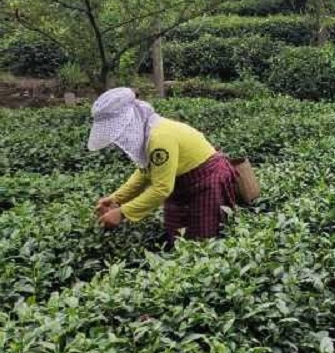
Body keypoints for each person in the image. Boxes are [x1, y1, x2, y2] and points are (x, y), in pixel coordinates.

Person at [88, 87, 238, 241]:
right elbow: (144, 172)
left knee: (202, 238)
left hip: (206, 180)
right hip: (181, 183)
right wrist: (115, 199)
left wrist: (122, 213)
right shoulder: (148, 133)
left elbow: (161, 189)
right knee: (176, 233)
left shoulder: (159, 138)